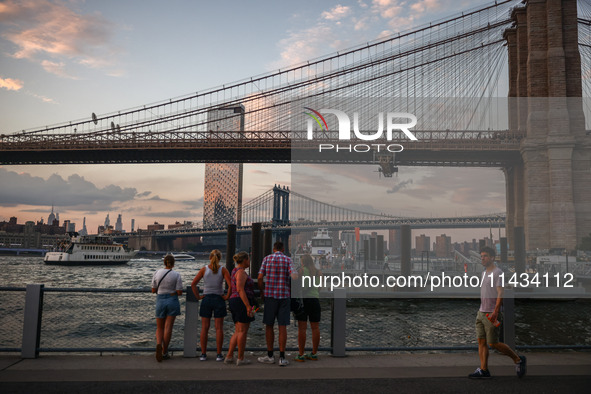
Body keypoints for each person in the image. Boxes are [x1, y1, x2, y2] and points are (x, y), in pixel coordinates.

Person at [469, 246, 526, 379]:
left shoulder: (497, 272)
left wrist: (496, 311)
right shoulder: (484, 273)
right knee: (481, 342)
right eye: (481, 256)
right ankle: (484, 370)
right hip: (481, 312)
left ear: (492, 258)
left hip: (491, 313)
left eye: (485, 256)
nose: (482, 258)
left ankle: (518, 359)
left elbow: (501, 292)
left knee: (493, 343)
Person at [257, 241, 297, 366]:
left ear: (273, 248)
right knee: (282, 326)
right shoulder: (288, 260)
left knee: (269, 325)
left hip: (269, 296)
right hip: (284, 297)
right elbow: (294, 277)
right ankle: (282, 357)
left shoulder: (267, 259)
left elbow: (259, 277)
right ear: (283, 249)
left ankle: (270, 356)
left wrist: (262, 291)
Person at [191, 249, 231, 362]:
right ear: (220, 258)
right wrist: (227, 296)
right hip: (219, 299)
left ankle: (203, 354)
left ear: (210, 257)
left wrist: (198, 297)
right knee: (219, 328)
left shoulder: (204, 269)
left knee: (205, 328)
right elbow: (231, 284)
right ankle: (219, 354)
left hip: (206, 299)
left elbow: (193, 284)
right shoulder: (223, 270)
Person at [225, 251, 256, 366]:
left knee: (238, 331)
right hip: (241, 302)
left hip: (234, 301)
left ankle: (229, 356)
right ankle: (241, 358)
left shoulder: (234, 271)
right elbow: (240, 289)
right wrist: (248, 306)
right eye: (248, 259)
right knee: (243, 331)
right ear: (244, 260)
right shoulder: (242, 272)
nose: (249, 262)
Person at [151, 254, 183, 362]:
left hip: (160, 300)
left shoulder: (157, 272)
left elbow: (153, 290)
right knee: (168, 328)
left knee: (159, 327)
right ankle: (165, 352)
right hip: (172, 300)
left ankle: (159, 344)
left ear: (164, 262)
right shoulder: (176, 274)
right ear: (173, 263)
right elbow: (179, 292)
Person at [294, 254, 321, 362]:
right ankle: (314, 353)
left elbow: (296, 286)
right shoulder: (318, 272)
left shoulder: (301, 271)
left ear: (303, 262)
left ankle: (301, 354)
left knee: (302, 329)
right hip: (314, 300)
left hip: (303, 301)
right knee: (315, 328)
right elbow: (319, 288)